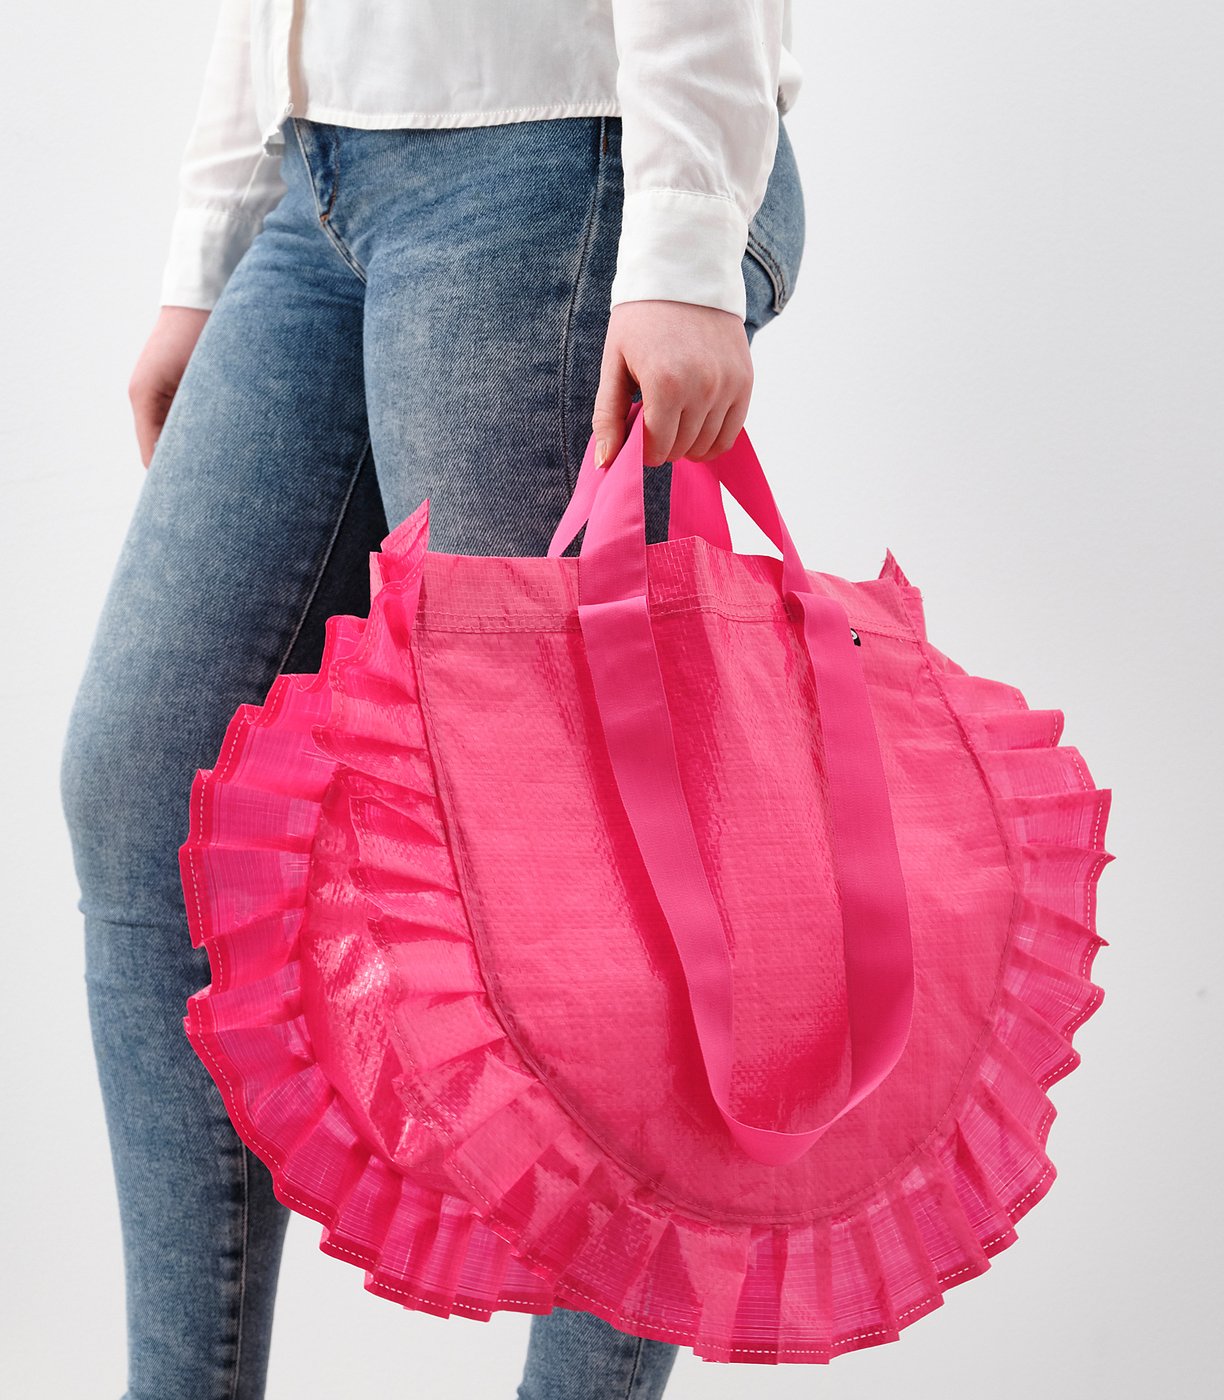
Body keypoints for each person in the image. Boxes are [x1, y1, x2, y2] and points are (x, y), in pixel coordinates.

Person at [60, 2, 806, 1397]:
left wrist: (688, 235)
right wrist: (208, 250)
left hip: (556, 151)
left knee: (571, 882)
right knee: (151, 788)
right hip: (320, 180)